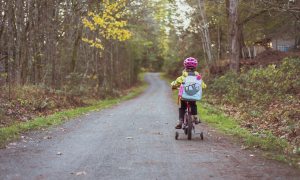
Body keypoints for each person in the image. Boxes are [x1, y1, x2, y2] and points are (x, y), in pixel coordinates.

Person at [171, 57, 207, 129]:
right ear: (195, 67)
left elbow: (175, 84)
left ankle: (180, 121)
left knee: (182, 107)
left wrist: (173, 85)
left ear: (185, 67)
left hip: (184, 96)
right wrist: (203, 86)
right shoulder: (198, 77)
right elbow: (203, 86)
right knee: (193, 104)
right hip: (194, 96)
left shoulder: (182, 77)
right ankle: (195, 117)